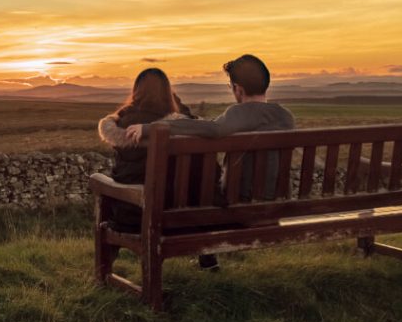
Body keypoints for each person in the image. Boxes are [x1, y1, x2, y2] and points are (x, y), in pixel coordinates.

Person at [122, 54, 295, 270]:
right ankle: (207, 260)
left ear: (237, 89)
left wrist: (151, 127)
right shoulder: (285, 116)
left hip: (241, 205)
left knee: (195, 191)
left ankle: (205, 257)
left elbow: (214, 129)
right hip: (277, 205)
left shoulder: (239, 112)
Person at [96, 68, 195, 233]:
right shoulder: (178, 125)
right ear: (168, 93)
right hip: (180, 217)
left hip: (132, 218)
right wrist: (175, 102)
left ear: (136, 92)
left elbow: (124, 174)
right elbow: (189, 119)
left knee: (100, 180)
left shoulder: (124, 123)